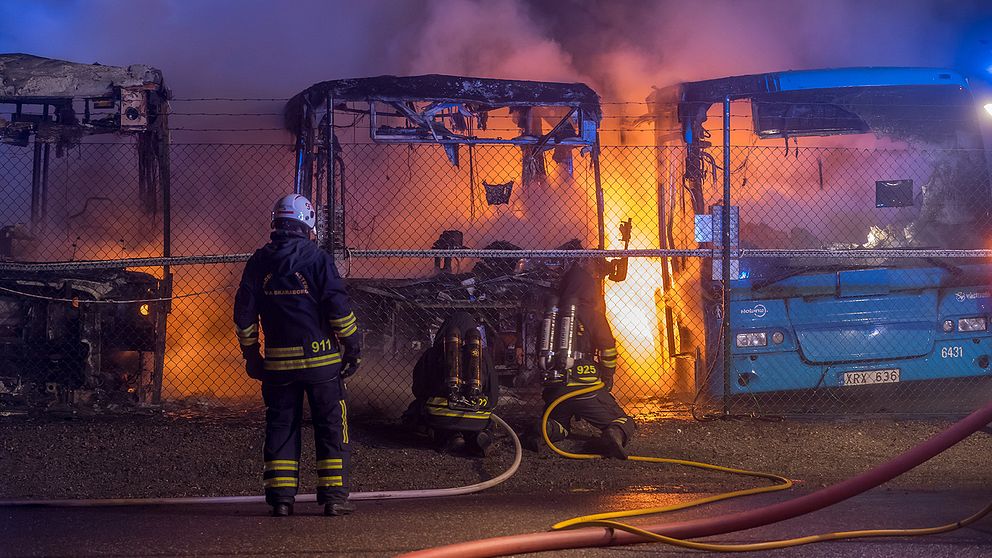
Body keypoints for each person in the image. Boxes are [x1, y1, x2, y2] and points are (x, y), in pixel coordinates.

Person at [234, 193, 361, 517]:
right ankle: (333, 498)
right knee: (332, 426)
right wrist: (353, 345)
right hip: (322, 364)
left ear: (275, 222)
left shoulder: (259, 261)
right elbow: (337, 308)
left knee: (281, 426)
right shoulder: (318, 259)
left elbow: (244, 314)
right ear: (308, 223)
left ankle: (281, 500)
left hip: (278, 366)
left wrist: (251, 354)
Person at [529, 252, 634, 458]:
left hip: (557, 389)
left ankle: (546, 430)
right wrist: (607, 375)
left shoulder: (552, 314)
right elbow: (608, 349)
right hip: (588, 390)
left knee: (560, 424)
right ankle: (612, 435)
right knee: (623, 421)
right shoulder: (593, 315)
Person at [405, 311, 499, 457]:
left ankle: (449, 437)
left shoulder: (433, 353)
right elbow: (493, 395)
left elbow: (419, 389)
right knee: (478, 424)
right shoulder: (484, 356)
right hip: (478, 417)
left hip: (440, 417)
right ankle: (478, 438)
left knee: (415, 411)